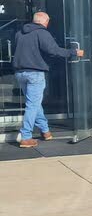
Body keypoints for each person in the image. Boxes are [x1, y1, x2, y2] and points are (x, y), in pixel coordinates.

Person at [12, 11, 84, 148]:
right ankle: (26, 137)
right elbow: (53, 50)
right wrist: (74, 52)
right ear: (44, 21)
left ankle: (45, 131)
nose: (48, 23)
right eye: (48, 21)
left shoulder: (19, 33)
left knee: (34, 102)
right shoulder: (42, 33)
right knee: (32, 104)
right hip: (35, 73)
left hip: (20, 72)